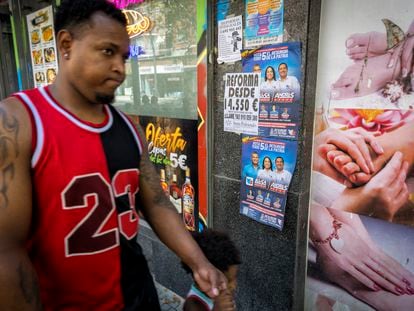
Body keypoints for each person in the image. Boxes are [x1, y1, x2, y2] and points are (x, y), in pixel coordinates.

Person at [0, 1, 226, 310]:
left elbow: (157, 203)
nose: (120, 68)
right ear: (66, 45)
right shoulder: (18, 122)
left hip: (138, 295)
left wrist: (199, 262)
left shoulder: (129, 128)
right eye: (107, 52)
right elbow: (6, 252)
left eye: (123, 56)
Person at [182, 229, 241, 311]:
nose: (234, 285)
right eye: (228, 280)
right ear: (205, 278)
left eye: (235, 277)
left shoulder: (222, 296)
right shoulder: (193, 304)